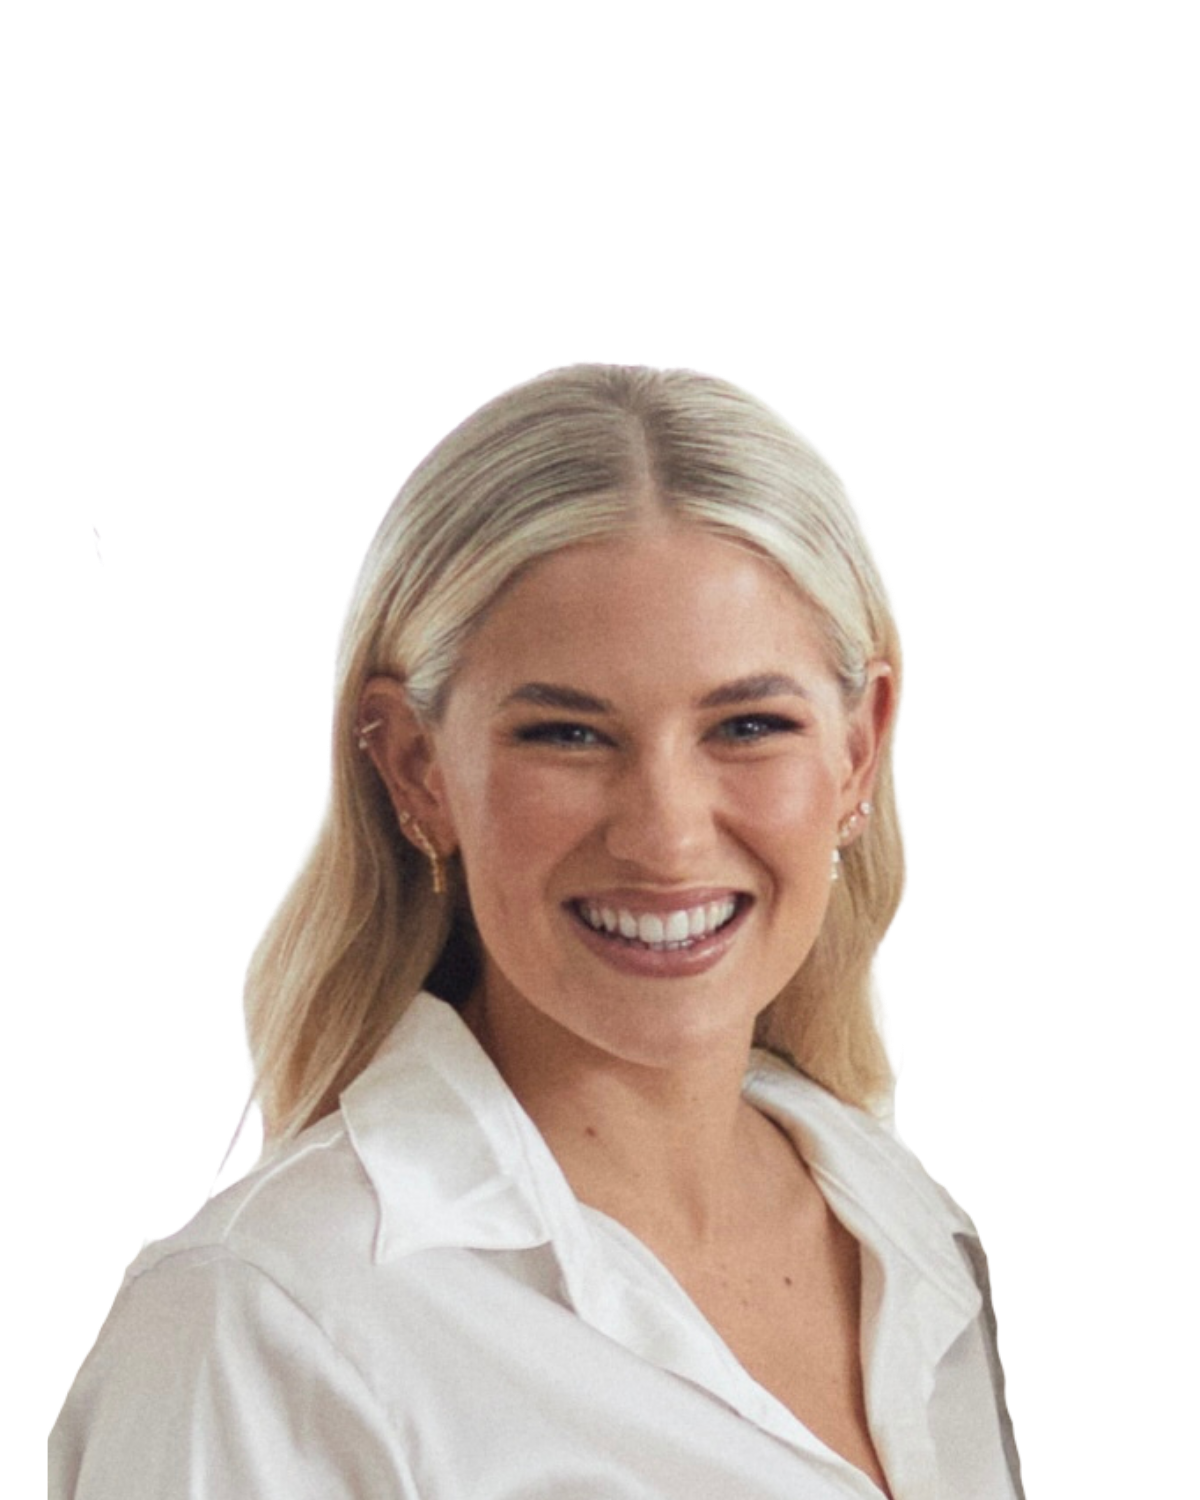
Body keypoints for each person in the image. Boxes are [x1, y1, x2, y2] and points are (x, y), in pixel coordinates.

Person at [49, 363, 1027, 1498]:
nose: (666, 838)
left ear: (860, 750)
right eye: (568, 735)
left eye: (748, 724)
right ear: (414, 767)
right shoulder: (267, 1323)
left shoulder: (925, 1236)